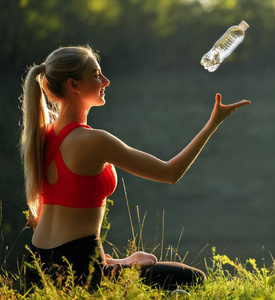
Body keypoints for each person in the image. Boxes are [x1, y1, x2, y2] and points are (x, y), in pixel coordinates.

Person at [20, 45, 250, 291]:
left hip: (36, 270)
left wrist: (117, 262)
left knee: (147, 263)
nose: (106, 81)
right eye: (97, 74)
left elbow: (54, 217)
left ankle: (122, 267)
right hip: (81, 271)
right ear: (74, 85)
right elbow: (169, 173)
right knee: (193, 278)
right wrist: (213, 122)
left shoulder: (40, 137)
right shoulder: (94, 140)